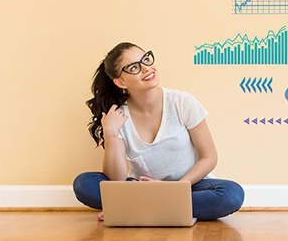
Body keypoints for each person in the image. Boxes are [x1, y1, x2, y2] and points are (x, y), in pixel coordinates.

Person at [73, 42, 244, 221]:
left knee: (232, 194)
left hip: (189, 185)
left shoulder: (182, 102)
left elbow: (209, 158)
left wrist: (175, 189)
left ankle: (139, 209)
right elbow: (116, 179)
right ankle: (164, 208)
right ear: (120, 82)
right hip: (141, 189)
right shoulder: (118, 116)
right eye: (134, 67)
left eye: (145, 59)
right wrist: (110, 134)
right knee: (83, 183)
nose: (146, 68)